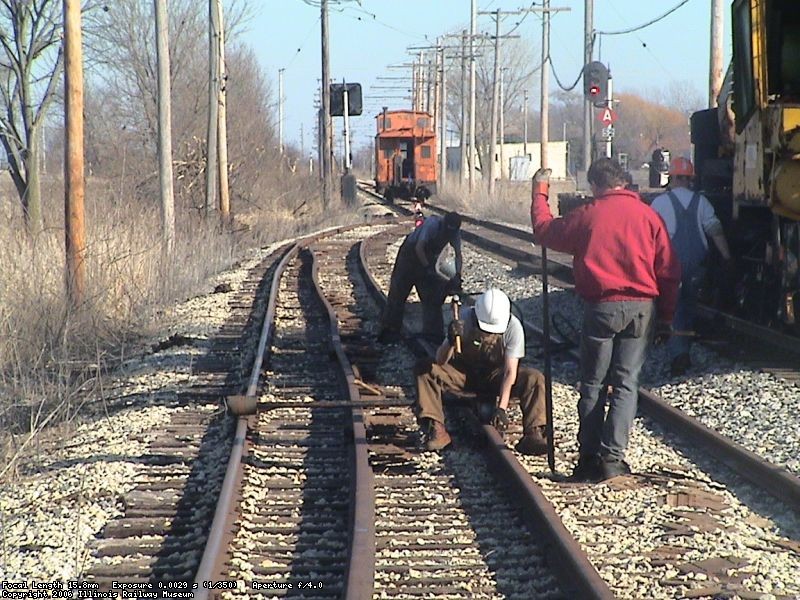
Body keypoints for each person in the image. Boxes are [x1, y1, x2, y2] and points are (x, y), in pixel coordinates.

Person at [530, 158, 681, 482]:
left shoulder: (588, 214)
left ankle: (587, 459)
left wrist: (540, 193)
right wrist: (666, 318)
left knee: (593, 384)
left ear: (597, 185)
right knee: (627, 384)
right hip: (642, 308)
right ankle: (613, 460)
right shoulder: (649, 216)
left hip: (601, 308)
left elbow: (545, 232)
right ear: (624, 183)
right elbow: (669, 272)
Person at [413, 288, 549, 454]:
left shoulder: (514, 328)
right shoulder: (463, 319)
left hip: (495, 377)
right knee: (425, 369)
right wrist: (450, 341)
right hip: (462, 375)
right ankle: (436, 429)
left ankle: (534, 433)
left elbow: (509, 372)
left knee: (534, 378)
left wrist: (501, 408)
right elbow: (440, 360)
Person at [650, 157, 732, 377]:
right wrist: (727, 257)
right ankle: (683, 349)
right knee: (689, 306)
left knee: (672, 308)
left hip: (669, 265)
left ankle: (678, 354)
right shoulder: (702, 203)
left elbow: (650, 236)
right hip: (696, 265)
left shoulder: (660, 203)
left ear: (672, 178)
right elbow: (715, 230)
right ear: (690, 179)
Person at [377, 211, 463, 344]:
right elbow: (419, 247)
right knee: (398, 293)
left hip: (427, 260)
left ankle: (433, 334)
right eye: (447, 230)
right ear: (444, 223)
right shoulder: (432, 224)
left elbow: (458, 255)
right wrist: (427, 267)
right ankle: (390, 330)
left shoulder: (455, 233)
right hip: (409, 256)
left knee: (432, 297)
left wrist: (458, 275)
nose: (448, 234)